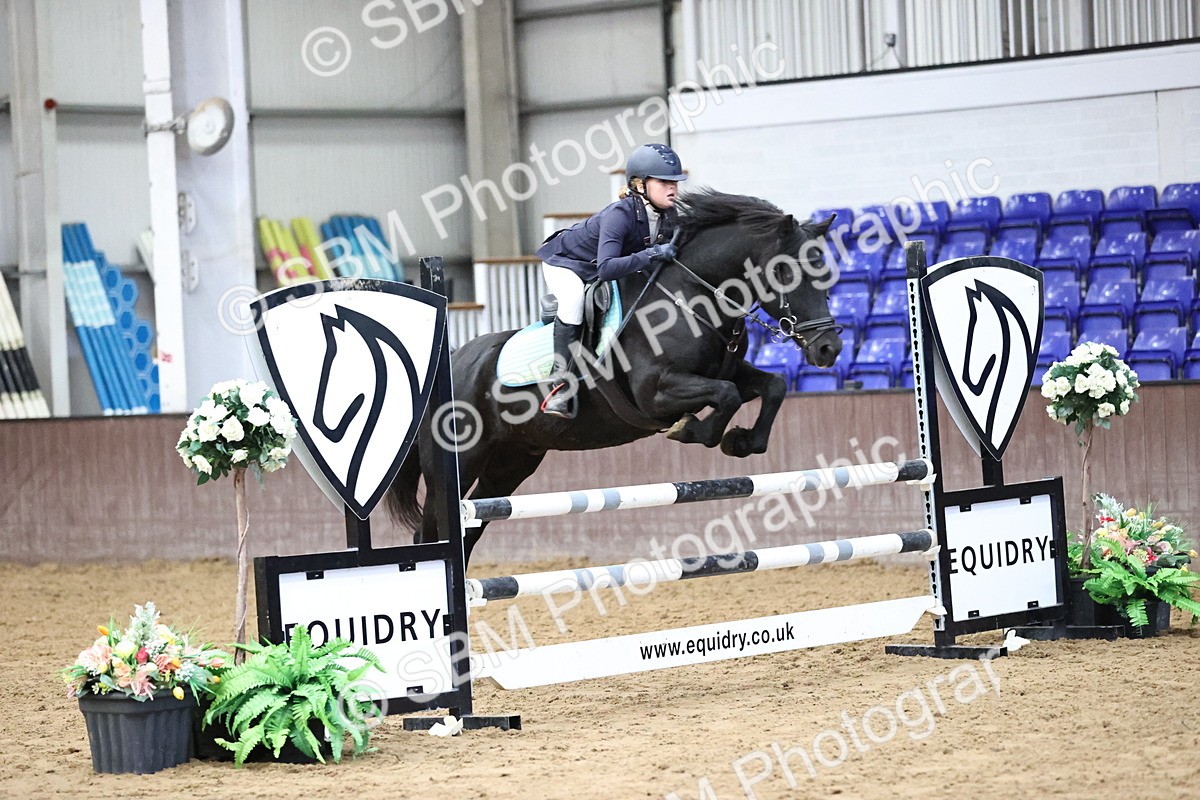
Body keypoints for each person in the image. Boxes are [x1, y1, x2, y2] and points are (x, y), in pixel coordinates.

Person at [535, 143, 687, 418]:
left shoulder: (669, 216)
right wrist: (651, 254)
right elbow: (606, 268)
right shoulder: (620, 215)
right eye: (664, 182)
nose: (672, 188)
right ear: (640, 185)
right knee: (574, 301)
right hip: (567, 263)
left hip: (599, 264)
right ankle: (559, 388)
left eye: (675, 182)